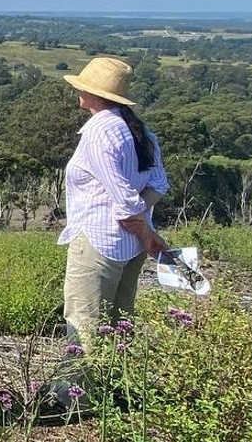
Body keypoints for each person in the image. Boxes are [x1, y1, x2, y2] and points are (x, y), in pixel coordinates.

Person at [58, 57, 170, 347]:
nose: (78, 91)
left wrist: (145, 231)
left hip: (99, 242)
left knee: (85, 326)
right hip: (132, 246)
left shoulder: (99, 132)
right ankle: (118, 376)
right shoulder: (141, 131)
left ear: (95, 94)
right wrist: (144, 231)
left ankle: (79, 379)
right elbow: (159, 184)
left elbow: (125, 202)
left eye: (83, 86)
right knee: (121, 326)